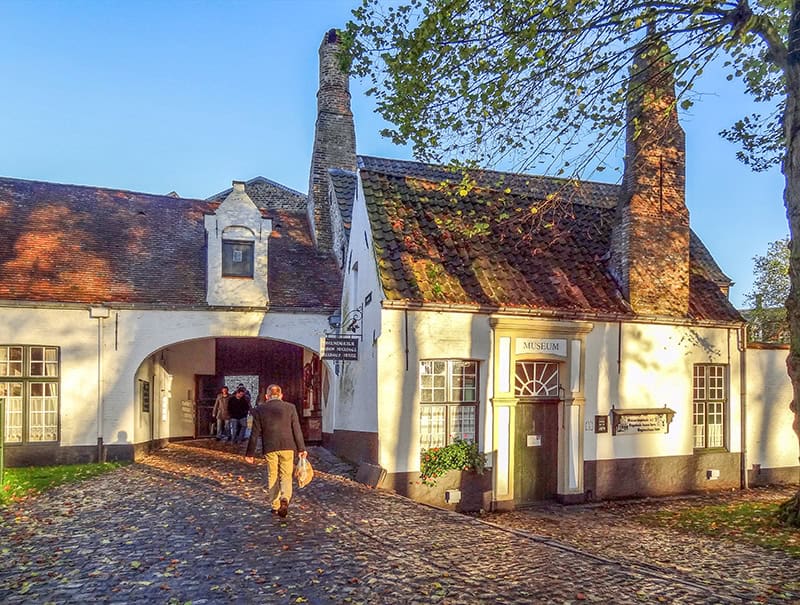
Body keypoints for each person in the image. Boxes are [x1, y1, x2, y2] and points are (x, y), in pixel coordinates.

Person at [245, 384, 307, 518]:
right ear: (281, 395)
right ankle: (285, 498)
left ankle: (275, 505)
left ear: (267, 396)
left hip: (270, 447)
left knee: (272, 475)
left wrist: (250, 453)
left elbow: (255, 433)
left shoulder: (260, 410)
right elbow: (297, 429)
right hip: (288, 446)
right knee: (286, 475)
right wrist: (301, 448)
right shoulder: (290, 408)